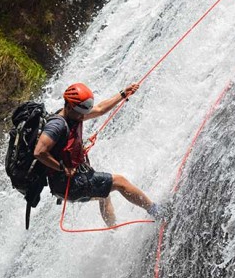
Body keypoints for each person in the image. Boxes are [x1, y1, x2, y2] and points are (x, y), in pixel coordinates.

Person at [34, 82, 168, 226]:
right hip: (68, 184)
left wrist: (122, 94)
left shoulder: (74, 114)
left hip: (65, 183)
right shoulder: (57, 125)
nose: (82, 117)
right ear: (68, 106)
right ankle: (158, 212)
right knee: (120, 182)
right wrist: (63, 168)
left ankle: (113, 230)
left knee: (104, 194)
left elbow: (99, 109)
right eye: (80, 113)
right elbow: (39, 152)